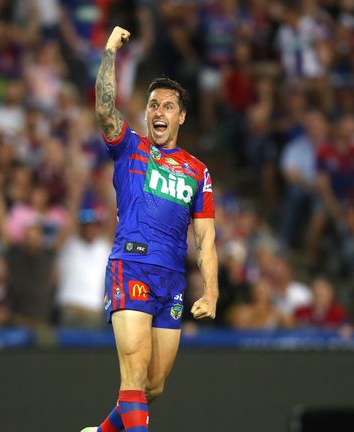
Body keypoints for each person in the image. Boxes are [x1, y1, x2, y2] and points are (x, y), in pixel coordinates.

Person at [83, 27, 218, 432]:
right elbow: (105, 110)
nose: (159, 112)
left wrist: (211, 290)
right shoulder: (130, 146)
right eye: (153, 105)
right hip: (132, 266)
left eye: (168, 106)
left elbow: (206, 237)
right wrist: (109, 53)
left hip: (172, 279)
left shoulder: (198, 172)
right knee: (133, 374)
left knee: (151, 385)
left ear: (181, 116)